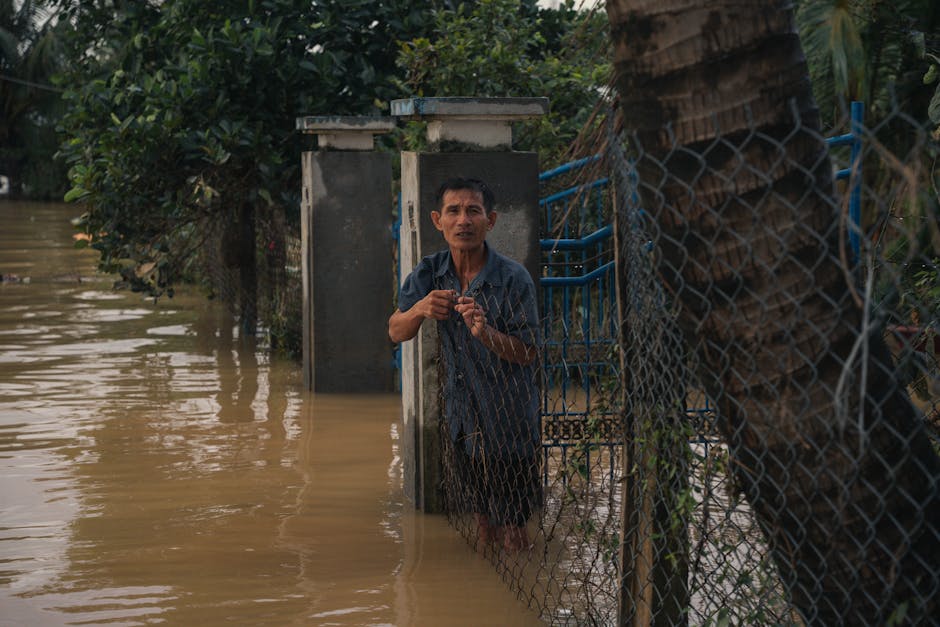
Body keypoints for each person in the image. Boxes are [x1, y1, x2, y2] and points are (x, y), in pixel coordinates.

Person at [388, 177, 541, 552]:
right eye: (454, 212)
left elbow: (529, 352)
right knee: (481, 520)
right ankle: (485, 580)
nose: (463, 221)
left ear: (490, 220)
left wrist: (485, 332)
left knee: (514, 531)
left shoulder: (512, 279)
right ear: (438, 220)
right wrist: (421, 309)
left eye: (473, 211)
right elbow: (395, 330)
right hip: (461, 420)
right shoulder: (430, 272)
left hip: (508, 423)